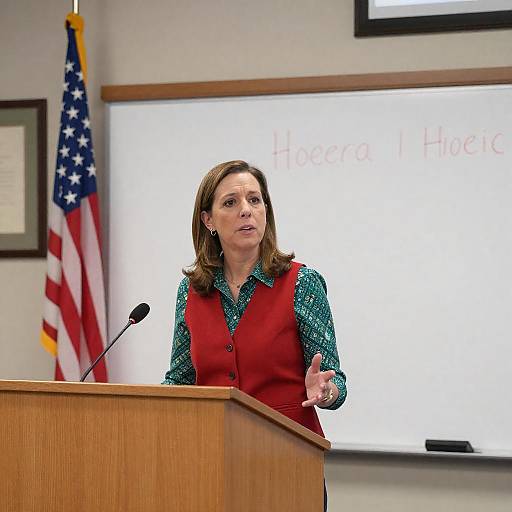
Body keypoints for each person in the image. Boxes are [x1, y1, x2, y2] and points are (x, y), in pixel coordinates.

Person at [162, 160, 347, 511]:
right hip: (211, 462)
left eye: (255, 200)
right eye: (230, 202)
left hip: (288, 461)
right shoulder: (191, 291)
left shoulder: (302, 284)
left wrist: (326, 390)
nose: (246, 210)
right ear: (208, 220)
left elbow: (337, 383)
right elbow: (180, 378)